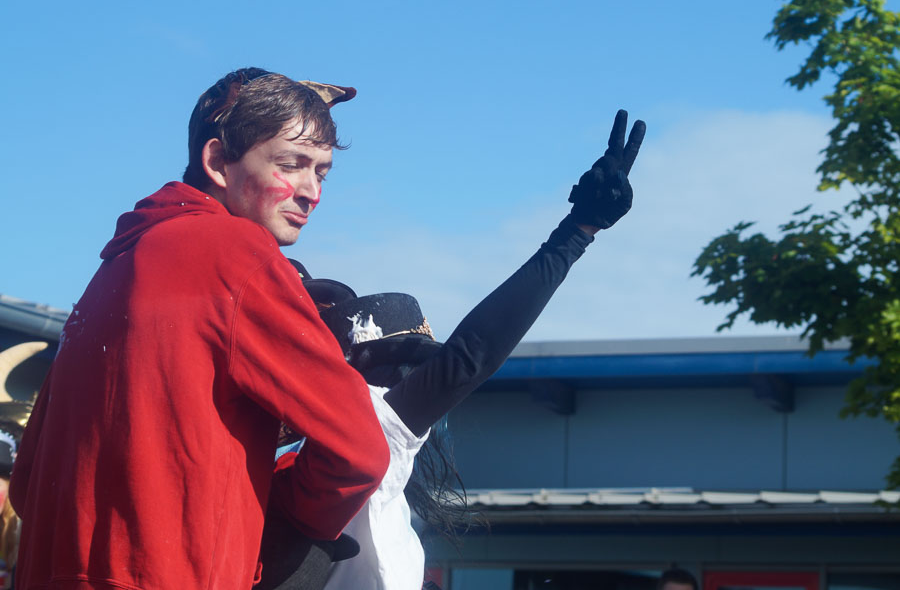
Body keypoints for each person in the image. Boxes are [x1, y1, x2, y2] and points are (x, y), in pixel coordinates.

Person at [9, 68, 390, 590]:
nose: (312, 192)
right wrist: (277, 517)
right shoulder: (235, 253)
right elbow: (360, 451)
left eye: (321, 173)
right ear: (216, 162)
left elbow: (26, 484)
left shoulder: (111, 271)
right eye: (291, 164)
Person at [261, 111, 646, 590]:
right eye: (408, 365)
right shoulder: (363, 422)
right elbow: (470, 355)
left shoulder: (275, 459)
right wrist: (575, 234)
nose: (420, 384)